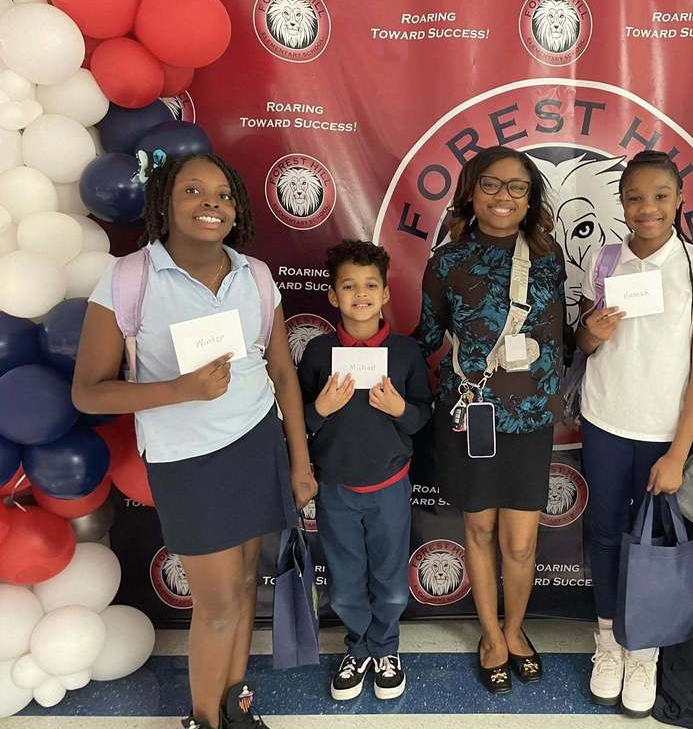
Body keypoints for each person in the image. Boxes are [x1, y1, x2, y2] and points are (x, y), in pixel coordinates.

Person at [72, 153, 316, 729]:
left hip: (258, 443)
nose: (212, 203)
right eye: (193, 191)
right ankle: (202, 720)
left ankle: (235, 704)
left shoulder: (254, 274)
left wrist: (300, 462)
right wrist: (181, 389)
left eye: (224, 194)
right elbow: (89, 393)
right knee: (219, 603)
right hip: (187, 460)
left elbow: (281, 374)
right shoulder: (130, 278)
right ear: (165, 202)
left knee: (246, 583)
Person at [575, 150, 693, 718]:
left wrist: (678, 449)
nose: (647, 208)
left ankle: (645, 653)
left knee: (657, 546)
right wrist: (589, 333)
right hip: (606, 420)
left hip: (667, 433)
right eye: (636, 197)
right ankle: (610, 642)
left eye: (660, 196)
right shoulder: (605, 258)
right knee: (609, 535)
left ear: (679, 200)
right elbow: (585, 345)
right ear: (622, 202)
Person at [417, 145, 567, 694]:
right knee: (478, 530)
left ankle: (515, 626)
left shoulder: (550, 259)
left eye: (517, 187)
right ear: (470, 192)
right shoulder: (447, 261)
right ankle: (490, 635)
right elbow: (427, 338)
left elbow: (562, 339)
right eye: (491, 184)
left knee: (522, 543)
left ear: (530, 199)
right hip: (470, 415)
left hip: (530, 420)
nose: (504, 196)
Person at [297, 240, 431, 702]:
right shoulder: (317, 352)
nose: (360, 294)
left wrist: (399, 409)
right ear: (333, 296)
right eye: (348, 286)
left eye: (370, 285)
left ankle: (386, 649)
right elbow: (298, 423)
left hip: (389, 486)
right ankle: (357, 648)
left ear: (386, 293)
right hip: (335, 488)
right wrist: (320, 408)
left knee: (391, 580)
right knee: (345, 578)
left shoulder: (406, 351)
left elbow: (421, 417)